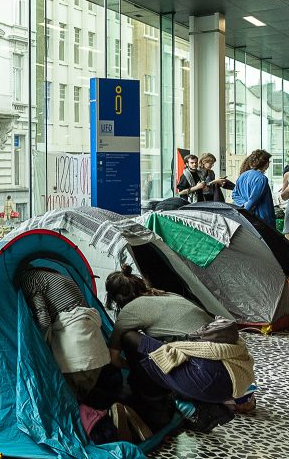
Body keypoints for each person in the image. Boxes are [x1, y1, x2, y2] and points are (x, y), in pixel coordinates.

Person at [105, 265, 255, 434]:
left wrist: (134, 368)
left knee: (133, 340)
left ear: (115, 299)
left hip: (206, 378)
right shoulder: (168, 295)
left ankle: (157, 410)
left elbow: (114, 359)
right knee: (167, 352)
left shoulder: (129, 310)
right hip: (236, 376)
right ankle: (206, 405)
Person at [17, 265, 109, 397]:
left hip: (76, 346)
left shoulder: (28, 279)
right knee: (89, 396)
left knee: (73, 398)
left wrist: (41, 348)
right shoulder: (54, 274)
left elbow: (43, 317)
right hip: (95, 341)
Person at [231, 149, 277, 230]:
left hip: (248, 219)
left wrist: (244, 205)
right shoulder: (262, 178)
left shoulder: (243, 175)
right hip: (262, 220)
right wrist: (246, 210)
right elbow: (253, 200)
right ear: (266, 164)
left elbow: (234, 195)